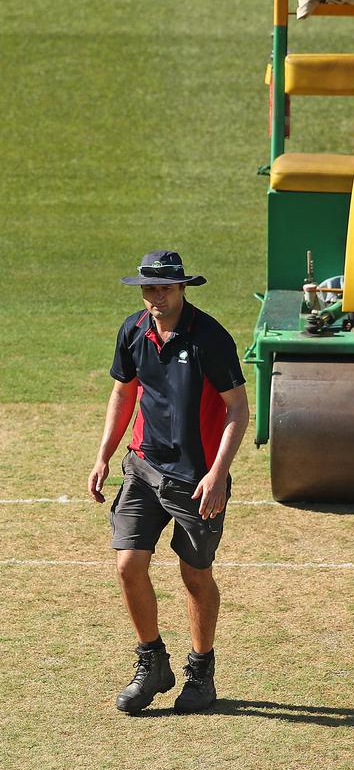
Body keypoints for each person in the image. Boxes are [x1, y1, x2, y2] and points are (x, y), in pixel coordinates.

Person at [88, 250, 249, 714]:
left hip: (196, 478)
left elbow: (238, 409)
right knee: (128, 565)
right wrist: (103, 456)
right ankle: (152, 663)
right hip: (141, 467)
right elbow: (124, 392)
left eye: (164, 288)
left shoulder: (209, 338)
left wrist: (218, 475)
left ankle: (201, 673)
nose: (156, 296)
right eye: (149, 288)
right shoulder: (133, 330)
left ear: (182, 288)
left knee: (195, 575)